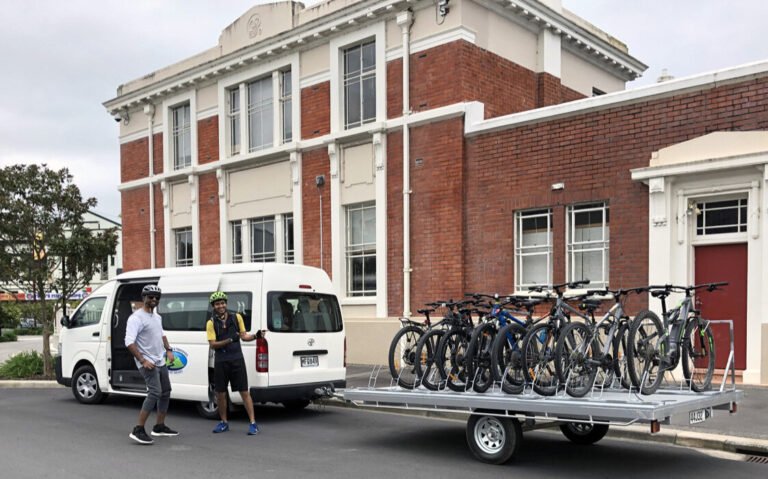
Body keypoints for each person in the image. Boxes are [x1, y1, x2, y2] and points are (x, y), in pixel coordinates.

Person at [125, 284, 178, 445]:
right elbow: (129, 342)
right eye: (150, 297)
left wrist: (168, 350)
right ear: (144, 298)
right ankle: (138, 429)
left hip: (160, 360)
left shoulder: (157, 317)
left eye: (156, 298)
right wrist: (142, 360)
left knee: (166, 391)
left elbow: (162, 335)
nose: (154, 300)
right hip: (147, 362)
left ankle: (159, 426)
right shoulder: (136, 318)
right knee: (155, 392)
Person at [206, 291, 262, 435]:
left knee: (244, 391)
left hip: (237, 359)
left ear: (226, 304)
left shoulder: (236, 317)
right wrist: (230, 340)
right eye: (218, 304)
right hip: (221, 361)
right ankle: (224, 422)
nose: (221, 306)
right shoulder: (211, 323)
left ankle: (253, 423)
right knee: (221, 393)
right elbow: (213, 344)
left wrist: (256, 336)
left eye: (223, 303)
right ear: (214, 306)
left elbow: (244, 336)